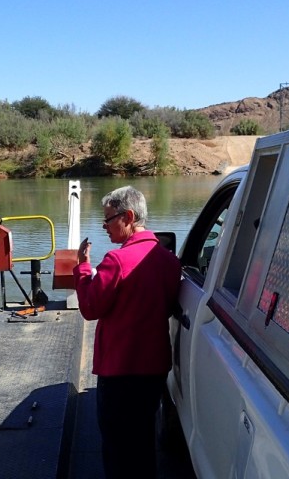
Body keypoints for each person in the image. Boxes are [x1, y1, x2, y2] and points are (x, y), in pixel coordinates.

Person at [74, 186, 182, 479]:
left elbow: (89, 307)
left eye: (108, 219)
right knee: (142, 440)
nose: (104, 226)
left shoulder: (117, 261)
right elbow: (169, 303)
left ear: (129, 217)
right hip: (155, 370)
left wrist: (83, 268)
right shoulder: (170, 262)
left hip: (120, 373)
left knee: (118, 449)